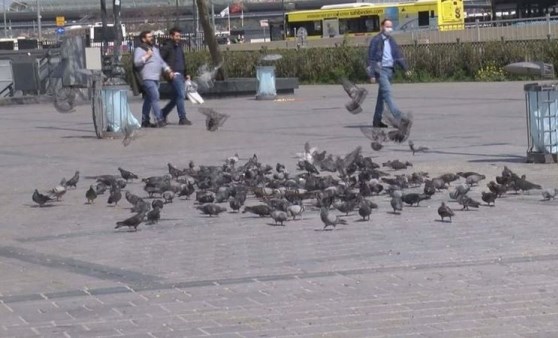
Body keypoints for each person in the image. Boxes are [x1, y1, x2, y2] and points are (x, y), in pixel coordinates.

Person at [367, 19, 411, 128]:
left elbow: (398, 55)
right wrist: (371, 74)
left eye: (391, 26)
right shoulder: (376, 40)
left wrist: (406, 68)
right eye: (387, 26)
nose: (389, 29)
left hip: (390, 70)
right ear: (382, 27)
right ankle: (400, 118)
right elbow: (371, 58)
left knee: (381, 97)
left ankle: (376, 121)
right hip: (380, 70)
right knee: (387, 94)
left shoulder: (391, 40)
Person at [134, 30, 174, 128]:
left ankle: (145, 120)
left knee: (149, 99)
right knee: (155, 97)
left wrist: (168, 69)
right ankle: (159, 119)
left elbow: (160, 61)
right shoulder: (140, 49)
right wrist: (147, 56)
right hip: (147, 77)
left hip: (156, 78)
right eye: (149, 37)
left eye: (152, 36)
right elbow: (136, 62)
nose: (151, 38)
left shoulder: (155, 49)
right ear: (143, 39)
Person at [160, 27, 193, 126]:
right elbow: (159, 60)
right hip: (173, 74)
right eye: (177, 36)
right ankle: (182, 118)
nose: (178, 37)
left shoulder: (179, 46)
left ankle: (162, 113)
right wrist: (168, 71)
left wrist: (186, 73)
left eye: (179, 36)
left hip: (181, 74)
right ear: (171, 36)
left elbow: (182, 61)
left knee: (176, 97)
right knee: (181, 95)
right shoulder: (167, 47)